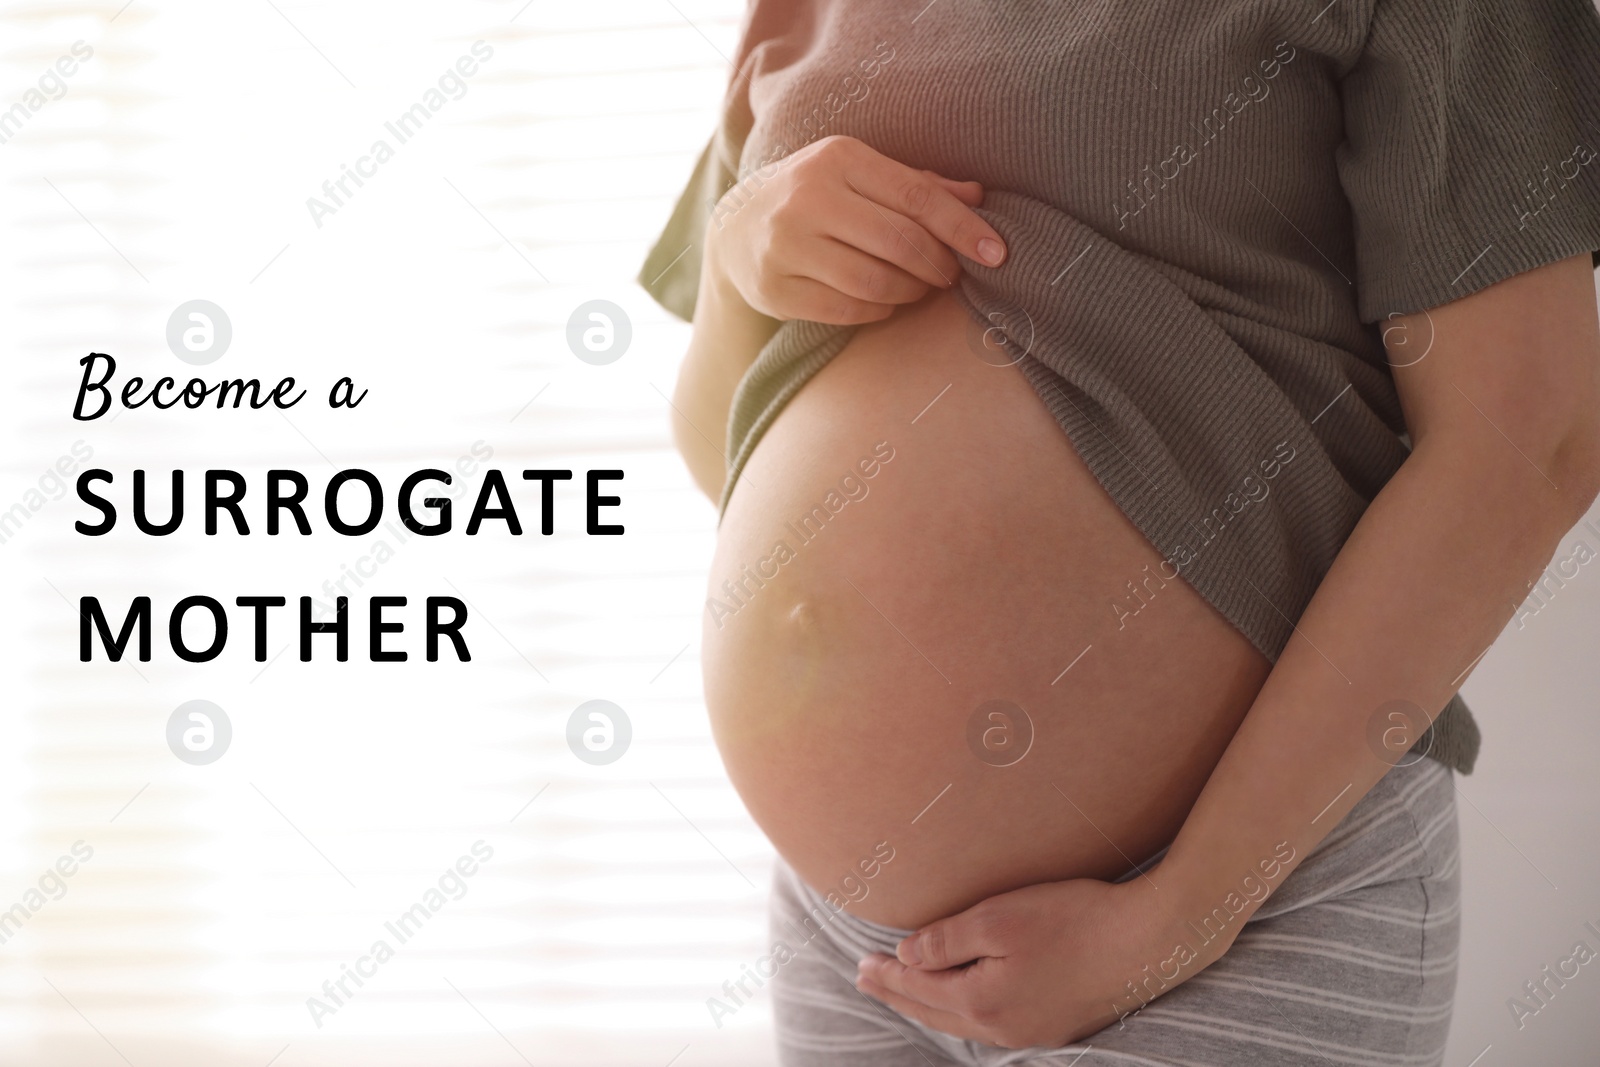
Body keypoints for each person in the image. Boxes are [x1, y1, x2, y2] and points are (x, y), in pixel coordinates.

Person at [640, 2, 1600, 1063]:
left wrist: (1181, 914)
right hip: (852, 944)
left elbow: (1529, 446)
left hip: (1234, 910)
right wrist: (737, 262)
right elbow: (720, 451)